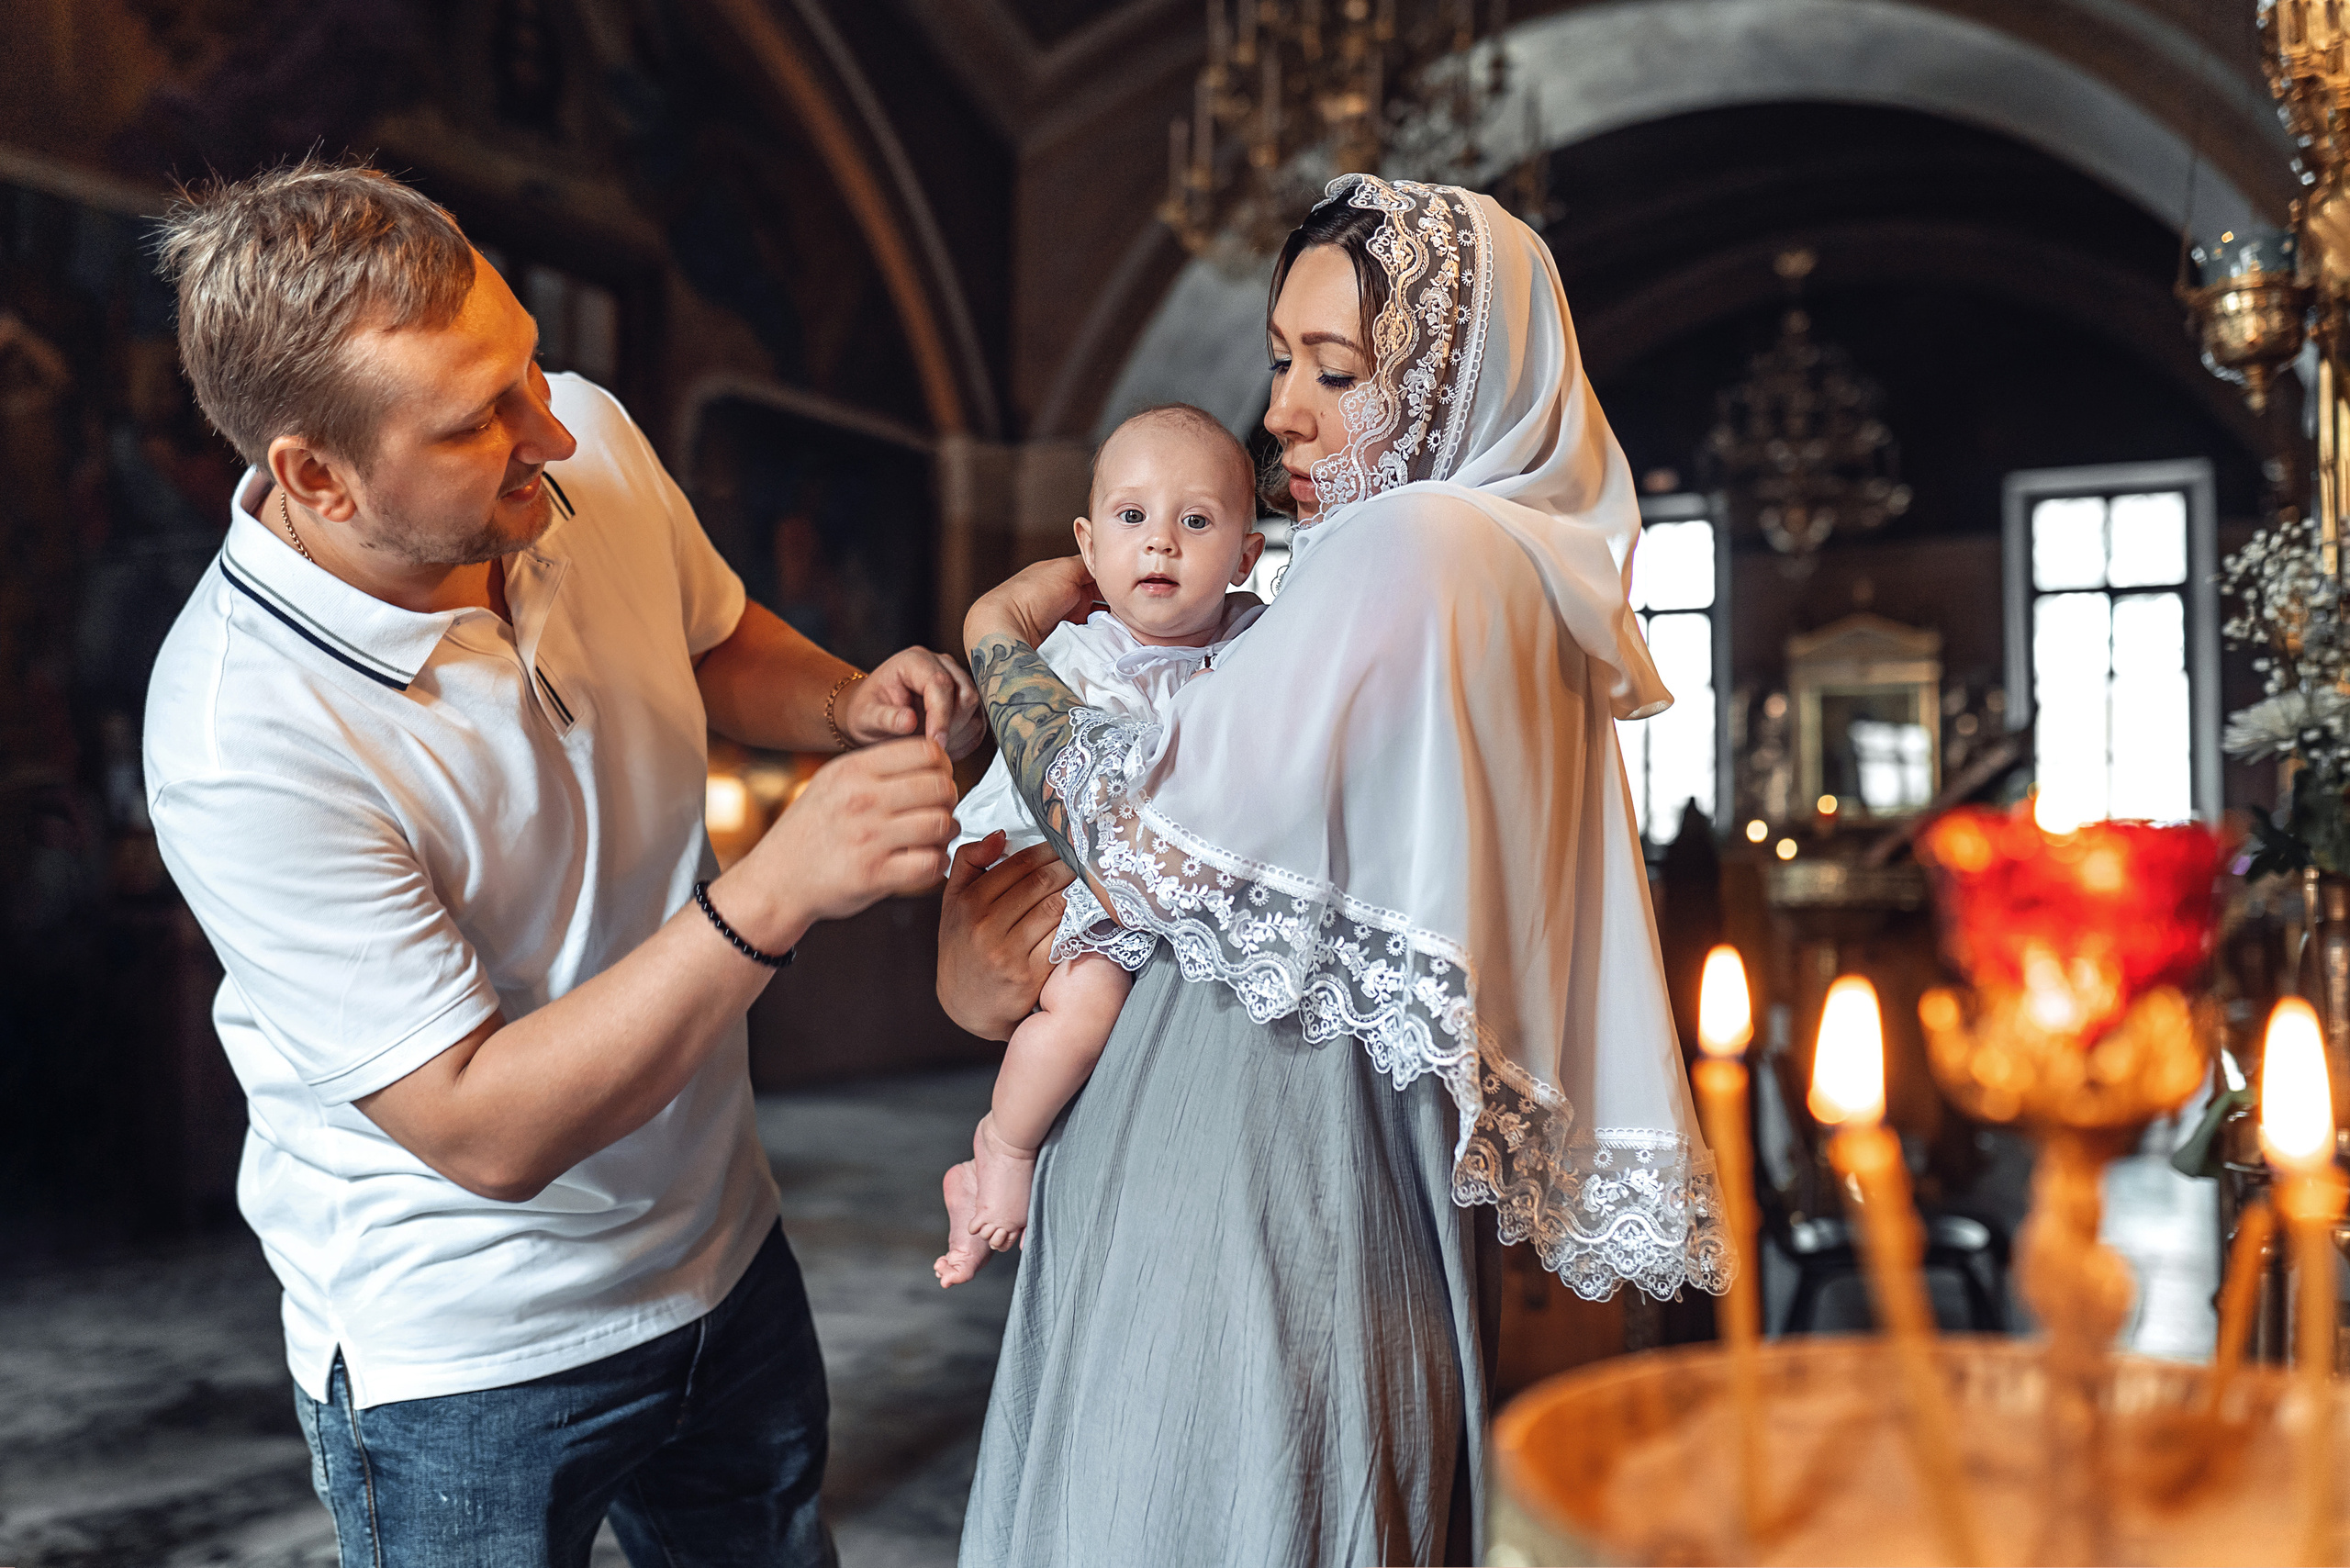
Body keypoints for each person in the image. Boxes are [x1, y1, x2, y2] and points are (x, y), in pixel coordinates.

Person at [142, 160, 982, 1567]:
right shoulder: (240, 733)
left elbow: (714, 634)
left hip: (723, 1251)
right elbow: (483, 1126)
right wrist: (779, 886)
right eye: (479, 419)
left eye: (528, 364)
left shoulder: (577, 433)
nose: (549, 426)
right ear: (316, 477)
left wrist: (846, 702)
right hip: (465, 1356)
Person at [939, 176, 1730, 1566]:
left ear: (1453, 385)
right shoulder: (1510, 574)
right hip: (1305, 1176)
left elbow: (1117, 824)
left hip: (1247, 1181)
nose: (1282, 415)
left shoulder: (1417, 544)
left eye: (1339, 371)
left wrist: (997, 634)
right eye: (1279, 362)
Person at [933, 402, 1265, 1287]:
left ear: (1246, 557)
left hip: (1179, 903)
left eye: (1196, 521)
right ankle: (1001, 1147)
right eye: (1132, 516)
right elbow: (1043, 783)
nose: (1161, 542)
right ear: (1087, 546)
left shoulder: (1256, 648)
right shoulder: (1075, 657)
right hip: (1072, 879)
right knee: (1085, 1009)